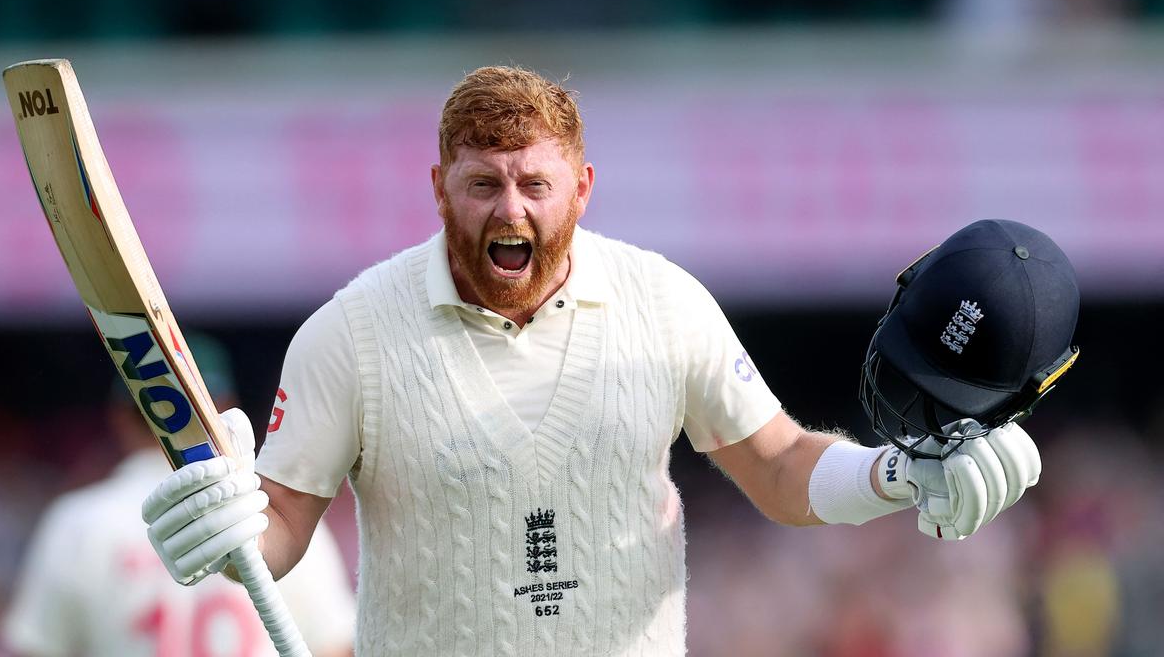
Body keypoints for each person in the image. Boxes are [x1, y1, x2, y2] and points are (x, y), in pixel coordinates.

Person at [139, 67, 1080, 656]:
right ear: (438, 190)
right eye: (482, 184)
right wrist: (224, 528)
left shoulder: (662, 303)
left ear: (581, 189)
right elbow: (283, 533)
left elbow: (781, 467)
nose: (511, 211)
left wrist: (896, 474)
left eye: (535, 184)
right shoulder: (348, 334)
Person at [3, 335, 356, 657]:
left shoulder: (77, 523)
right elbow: (333, 648)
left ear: (120, 417)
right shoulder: (276, 517)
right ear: (227, 409)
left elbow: (36, 648)